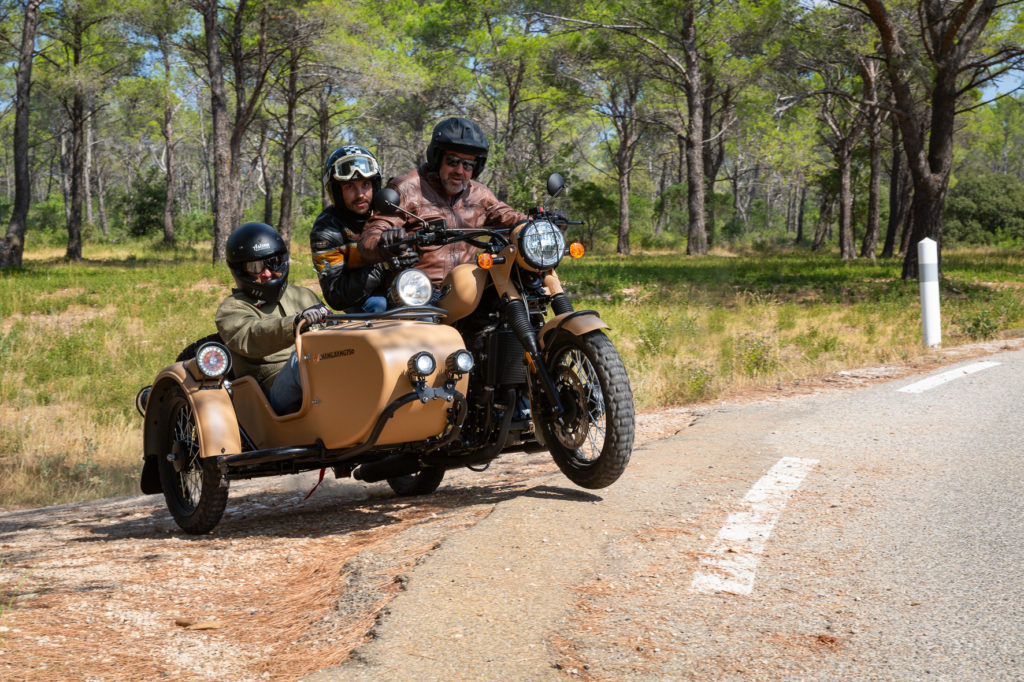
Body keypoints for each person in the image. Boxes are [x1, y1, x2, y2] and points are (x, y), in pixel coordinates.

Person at [358, 117, 527, 288]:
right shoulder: (407, 188)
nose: (459, 171)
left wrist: (544, 222)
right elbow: (368, 240)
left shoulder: (479, 195)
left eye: (468, 165)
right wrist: (387, 243)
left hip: (468, 291)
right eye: (452, 161)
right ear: (437, 158)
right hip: (418, 292)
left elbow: (512, 218)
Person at [216, 222, 329, 415]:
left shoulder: (302, 295)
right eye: (256, 267)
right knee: (300, 362)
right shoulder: (231, 308)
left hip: (317, 372)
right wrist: (294, 323)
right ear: (240, 270)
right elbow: (253, 335)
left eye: (273, 262)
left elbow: (334, 328)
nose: (267, 273)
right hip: (269, 396)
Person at [310, 145, 389, 313]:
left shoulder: (389, 212)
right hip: (361, 301)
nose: (360, 194)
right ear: (337, 191)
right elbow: (335, 295)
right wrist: (383, 264)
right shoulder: (326, 230)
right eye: (349, 187)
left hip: (404, 286)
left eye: (365, 184)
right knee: (378, 305)